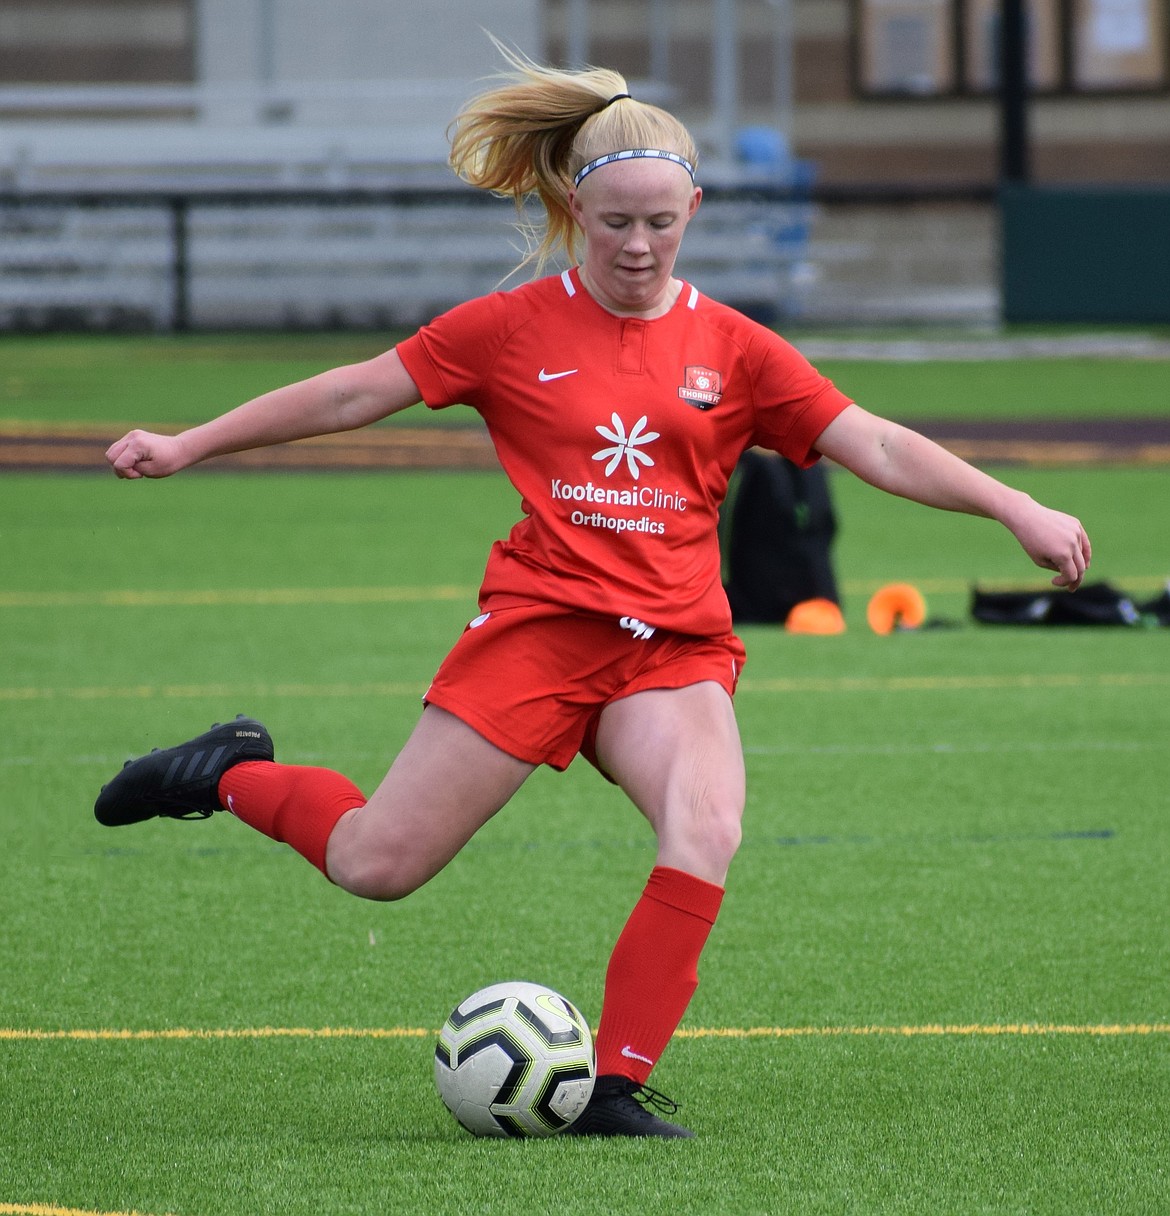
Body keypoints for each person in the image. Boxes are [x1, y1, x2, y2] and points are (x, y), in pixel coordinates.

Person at [94, 47, 1092, 1139]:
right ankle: (233, 771)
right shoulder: (508, 328)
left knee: (706, 824)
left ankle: (612, 1084)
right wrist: (192, 441)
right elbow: (350, 392)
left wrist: (1014, 507)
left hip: (670, 649)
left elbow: (879, 444)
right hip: (540, 629)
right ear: (576, 205)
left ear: (694, 209)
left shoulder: (737, 349)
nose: (637, 244)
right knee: (377, 863)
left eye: (662, 221)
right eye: (615, 221)